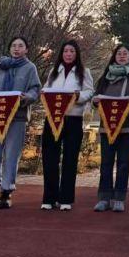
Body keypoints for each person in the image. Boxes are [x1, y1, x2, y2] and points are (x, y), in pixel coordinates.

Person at [0, 36, 42, 209]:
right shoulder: (1, 66)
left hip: (17, 117)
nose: (16, 48)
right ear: (10, 48)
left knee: (12, 155)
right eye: (13, 45)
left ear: (26, 50)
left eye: (20, 46)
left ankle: (6, 191)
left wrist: (27, 97)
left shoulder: (30, 68)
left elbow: (35, 89)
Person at [92, 43, 129, 213]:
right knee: (106, 163)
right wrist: (95, 101)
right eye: (119, 54)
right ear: (114, 57)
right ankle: (104, 198)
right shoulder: (105, 76)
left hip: (127, 127)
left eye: (125, 53)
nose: (122, 56)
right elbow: (95, 94)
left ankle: (119, 198)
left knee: (123, 163)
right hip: (107, 126)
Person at [40, 40, 94, 211]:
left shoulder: (84, 72)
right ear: (61, 54)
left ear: (76, 54)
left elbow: (89, 92)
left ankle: (65, 198)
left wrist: (78, 96)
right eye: (65, 51)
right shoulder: (54, 71)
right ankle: (49, 198)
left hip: (73, 118)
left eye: (72, 51)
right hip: (53, 119)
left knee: (70, 159)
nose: (68, 54)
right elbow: (46, 89)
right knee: (50, 158)